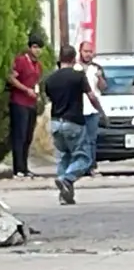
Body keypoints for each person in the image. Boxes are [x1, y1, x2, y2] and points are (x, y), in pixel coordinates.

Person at [43, 45, 106, 205]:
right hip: (74, 122)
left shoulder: (50, 79)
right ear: (74, 58)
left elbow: (49, 98)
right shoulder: (78, 76)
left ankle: (64, 195)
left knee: (64, 156)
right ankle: (66, 179)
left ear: (60, 59)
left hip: (56, 122)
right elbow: (91, 96)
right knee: (84, 158)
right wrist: (101, 112)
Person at [8, 35, 44, 178]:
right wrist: (24, 89)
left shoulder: (38, 66)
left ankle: (25, 166)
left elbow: (36, 82)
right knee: (19, 136)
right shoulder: (21, 61)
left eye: (39, 48)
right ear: (29, 48)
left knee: (28, 136)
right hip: (19, 102)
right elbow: (11, 77)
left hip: (31, 103)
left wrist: (37, 93)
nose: (37, 51)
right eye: (34, 47)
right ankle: (18, 168)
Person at [76, 41, 106, 175]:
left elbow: (104, 87)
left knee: (91, 139)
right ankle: (81, 166)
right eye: (85, 51)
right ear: (80, 52)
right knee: (80, 140)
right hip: (78, 108)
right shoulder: (75, 67)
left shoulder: (97, 68)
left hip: (93, 109)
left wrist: (100, 78)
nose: (88, 54)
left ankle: (91, 165)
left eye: (90, 51)